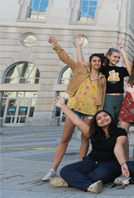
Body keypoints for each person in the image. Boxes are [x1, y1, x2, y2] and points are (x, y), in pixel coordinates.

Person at [43, 36, 106, 181]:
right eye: (94, 60)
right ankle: (53, 169)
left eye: (99, 61)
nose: (96, 63)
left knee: (85, 139)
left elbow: (102, 97)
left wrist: (99, 113)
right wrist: (56, 45)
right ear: (90, 62)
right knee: (65, 138)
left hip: (90, 111)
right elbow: (66, 59)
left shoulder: (103, 78)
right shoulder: (80, 69)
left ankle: (80, 167)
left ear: (101, 63)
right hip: (73, 107)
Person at [48, 97, 128, 193]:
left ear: (110, 116)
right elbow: (77, 120)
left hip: (109, 164)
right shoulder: (92, 132)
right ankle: (89, 186)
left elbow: (118, 147)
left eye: (105, 116)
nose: (103, 119)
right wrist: (62, 106)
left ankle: (69, 182)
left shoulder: (120, 132)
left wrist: (123, 164)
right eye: (99, 118)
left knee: (100, 175)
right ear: (96, 123)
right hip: (91, 162)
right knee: (65, 170)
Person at [76, 35, 129, 126]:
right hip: (107, 99)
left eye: (118, 58)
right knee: (109, 123)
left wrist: (121, 47)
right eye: (114, 57)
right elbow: (81, 62)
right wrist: (79, 46)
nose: (116, 59)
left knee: (115, 124)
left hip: (120, 99)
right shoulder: (102, 69)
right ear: (108, 56)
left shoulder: (122, 70)